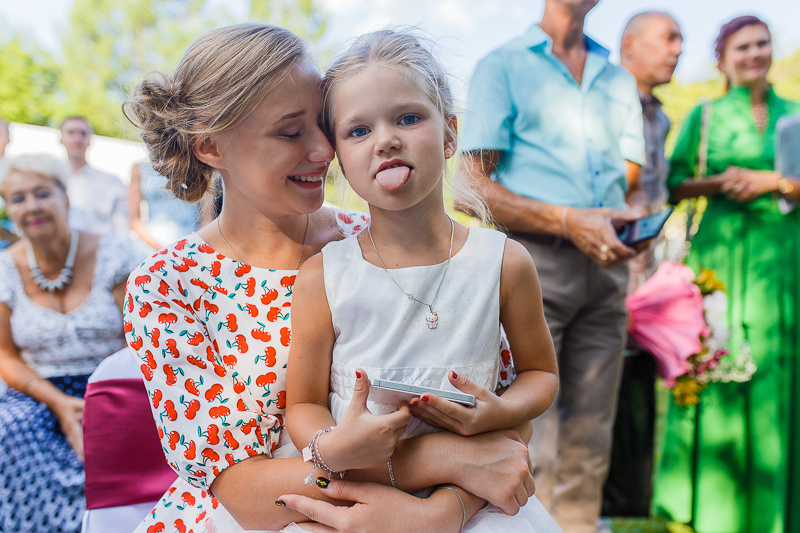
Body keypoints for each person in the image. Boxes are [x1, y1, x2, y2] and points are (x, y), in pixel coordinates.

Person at [123, 23, 538, 533]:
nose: (325, 150)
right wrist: (440, 460)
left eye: (326, 124)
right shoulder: (169, 284)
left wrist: (441, 512)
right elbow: (245, 498)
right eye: (291, 131)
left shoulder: (385, 241)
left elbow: (498, 413)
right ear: (211, 148)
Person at [283, 29, 561, 532]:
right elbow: (302, 402)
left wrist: (497, 413)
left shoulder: (505, 261)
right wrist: (330, 444)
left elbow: (541, 375)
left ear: (451, 132)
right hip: (358, 494)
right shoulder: (324, 274)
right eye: (358, 131)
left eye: (408, 118)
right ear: (340, 160)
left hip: (472, 493)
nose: (386, 139)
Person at [459, 1, 648, 531]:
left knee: (594, 426)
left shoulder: (616, 78)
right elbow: (471, 186)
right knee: (528, 427)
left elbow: (627, 176)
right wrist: (566, 220)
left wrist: (625, 223)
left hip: (608, 266)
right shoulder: (503, 66)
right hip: (531, 265)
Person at [652, 16, 800, 533]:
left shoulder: (794, 114)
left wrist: (774, 181)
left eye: (762, 43)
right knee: (715, 360)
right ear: (723, 57)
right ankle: (707, 511)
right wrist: (722, 182)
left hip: (781, 259)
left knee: (778, 365)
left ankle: (774, 512)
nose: (754, 54)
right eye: (742, 46)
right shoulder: (705, 114)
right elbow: (671, 185)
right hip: (717, 260)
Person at [0, 153, 136, 533]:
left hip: (112, 384)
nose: (32, 206)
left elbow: (143, 340)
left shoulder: (114, 254)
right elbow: (5, 355)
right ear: (8, 208)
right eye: (18, 198)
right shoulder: (5, 269)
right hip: (38, 390)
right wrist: (59, 404)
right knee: (7, 429)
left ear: (66, 198)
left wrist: (101, 400)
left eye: (42, 193)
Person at [602, 11, 683, 518]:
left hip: (646, 271)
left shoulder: (662, 115)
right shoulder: (604, 102)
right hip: (606, 262)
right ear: (630, 45)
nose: (678, 50)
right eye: (669, 38)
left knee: (632, 390)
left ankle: (619, 503)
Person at [59, 116, 129, 237]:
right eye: (70, 132)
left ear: (90, 140)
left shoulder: (112, 182)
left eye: (83, 133)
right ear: (61, 139)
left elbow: (122, 229)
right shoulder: (51, 182)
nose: (77, 138)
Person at [127, 160, 203, 255]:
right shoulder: (140, 168)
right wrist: (163, 251)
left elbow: (207, 218)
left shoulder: (199, 165)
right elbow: (133, 219)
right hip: (153, 249)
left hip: (192, 248)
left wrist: (195, 247)